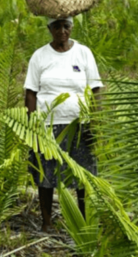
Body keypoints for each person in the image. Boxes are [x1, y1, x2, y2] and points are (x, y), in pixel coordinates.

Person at [24, 17, 103, 233]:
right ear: (49, 28)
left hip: (80, 125)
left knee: (83, 173)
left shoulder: (83, 53)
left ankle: (83, 221)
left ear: (72, 28)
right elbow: (31, 92)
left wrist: (96, 122)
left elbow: (95, 89)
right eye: (56, 26)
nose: (62, 31)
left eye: (66, 26)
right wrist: (32, 126)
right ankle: (47, 222)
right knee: (46, 174)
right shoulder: (40, 56)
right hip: (48, 125)